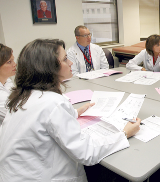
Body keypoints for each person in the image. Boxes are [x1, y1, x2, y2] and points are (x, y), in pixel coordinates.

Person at [0, 39, 141, 181]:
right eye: (65, 59)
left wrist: (74, 112)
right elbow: (86, 153)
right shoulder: (52, 103)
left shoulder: (22, 96)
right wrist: (124, 133)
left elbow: (41, 122)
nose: (71, 63)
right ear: (49, 67)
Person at [0, 44, 16, 126]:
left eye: (13, 60)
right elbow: (16, 116)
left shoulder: (7, 80)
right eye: (9, 62)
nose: (15, 64)